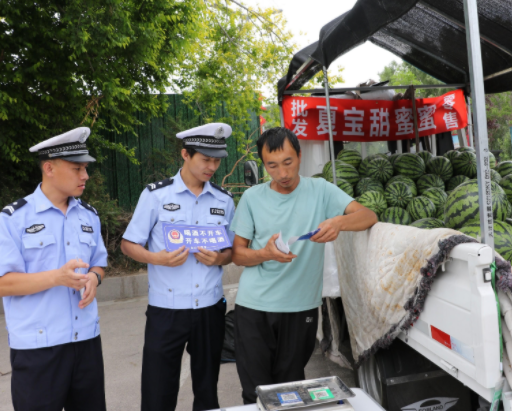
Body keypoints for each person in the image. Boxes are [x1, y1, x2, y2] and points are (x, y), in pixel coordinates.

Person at [230, 127, 378, 404]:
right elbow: (238, 254)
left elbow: (369, 216)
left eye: (288, 162)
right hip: (254, 307)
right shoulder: (252, 198)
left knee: (290, 389)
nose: (282, 173)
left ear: (299, 155)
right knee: (255, 390)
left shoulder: (320, 190)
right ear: (263, 165)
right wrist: (265, 253)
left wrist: (338, 223)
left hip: (301, 307)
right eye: (272, 166)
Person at [0, 127, 108, 411]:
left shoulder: (89, 216)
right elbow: (1, 284)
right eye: (77, 168)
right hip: (37, 349)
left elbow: (100, 262)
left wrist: (94, 277)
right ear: (49, 168)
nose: (85, 176)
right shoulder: (13, 219)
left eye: (86, 168)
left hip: (86, 341)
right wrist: (57, 277)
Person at [121, 123, 236, 411]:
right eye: (205, 159)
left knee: (207, 392)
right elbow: (128, 244)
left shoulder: (224, 200)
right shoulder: (156, 196)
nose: (213, 166)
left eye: (217, 160)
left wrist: (219, 258)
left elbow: (231, 250)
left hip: (209, 307)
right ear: (185, 154)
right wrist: (157, 258)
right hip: (167, 310)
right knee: (158, 392)